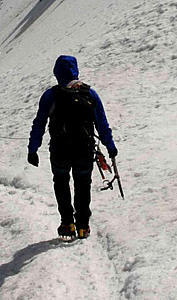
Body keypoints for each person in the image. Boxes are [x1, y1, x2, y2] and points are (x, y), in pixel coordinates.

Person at [28, 55, 118, 240]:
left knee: (61, 184)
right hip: (84, 150)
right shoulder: (89, 94)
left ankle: (67, 223)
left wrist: (33, 149)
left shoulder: (50, 96)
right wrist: (110, 146)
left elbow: (39, 124)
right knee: (82, 186)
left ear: (56, 72)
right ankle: (83, 226)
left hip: (59, 151)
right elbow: (102, 123)